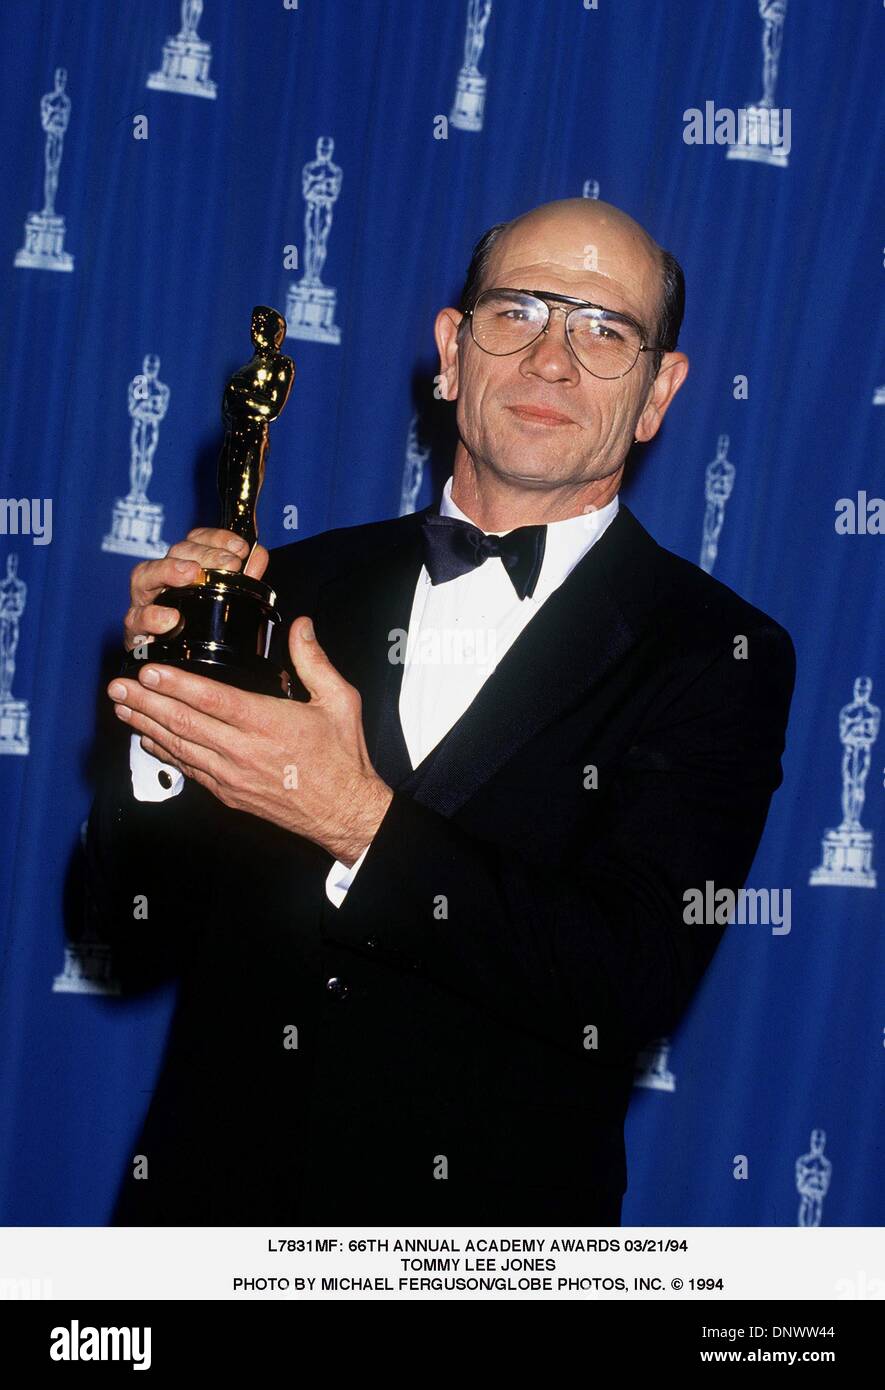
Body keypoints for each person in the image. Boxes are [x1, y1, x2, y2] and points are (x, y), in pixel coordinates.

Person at [85, 197, 796, 1225]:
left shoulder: (717, 653)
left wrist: (356, 819)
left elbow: (628, 977)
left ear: (659, 392)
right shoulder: (291, 584)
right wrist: (165, 718)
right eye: (517, 312)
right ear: (453, 351)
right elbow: (124, 924)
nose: (552, 359)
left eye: (603, 329)